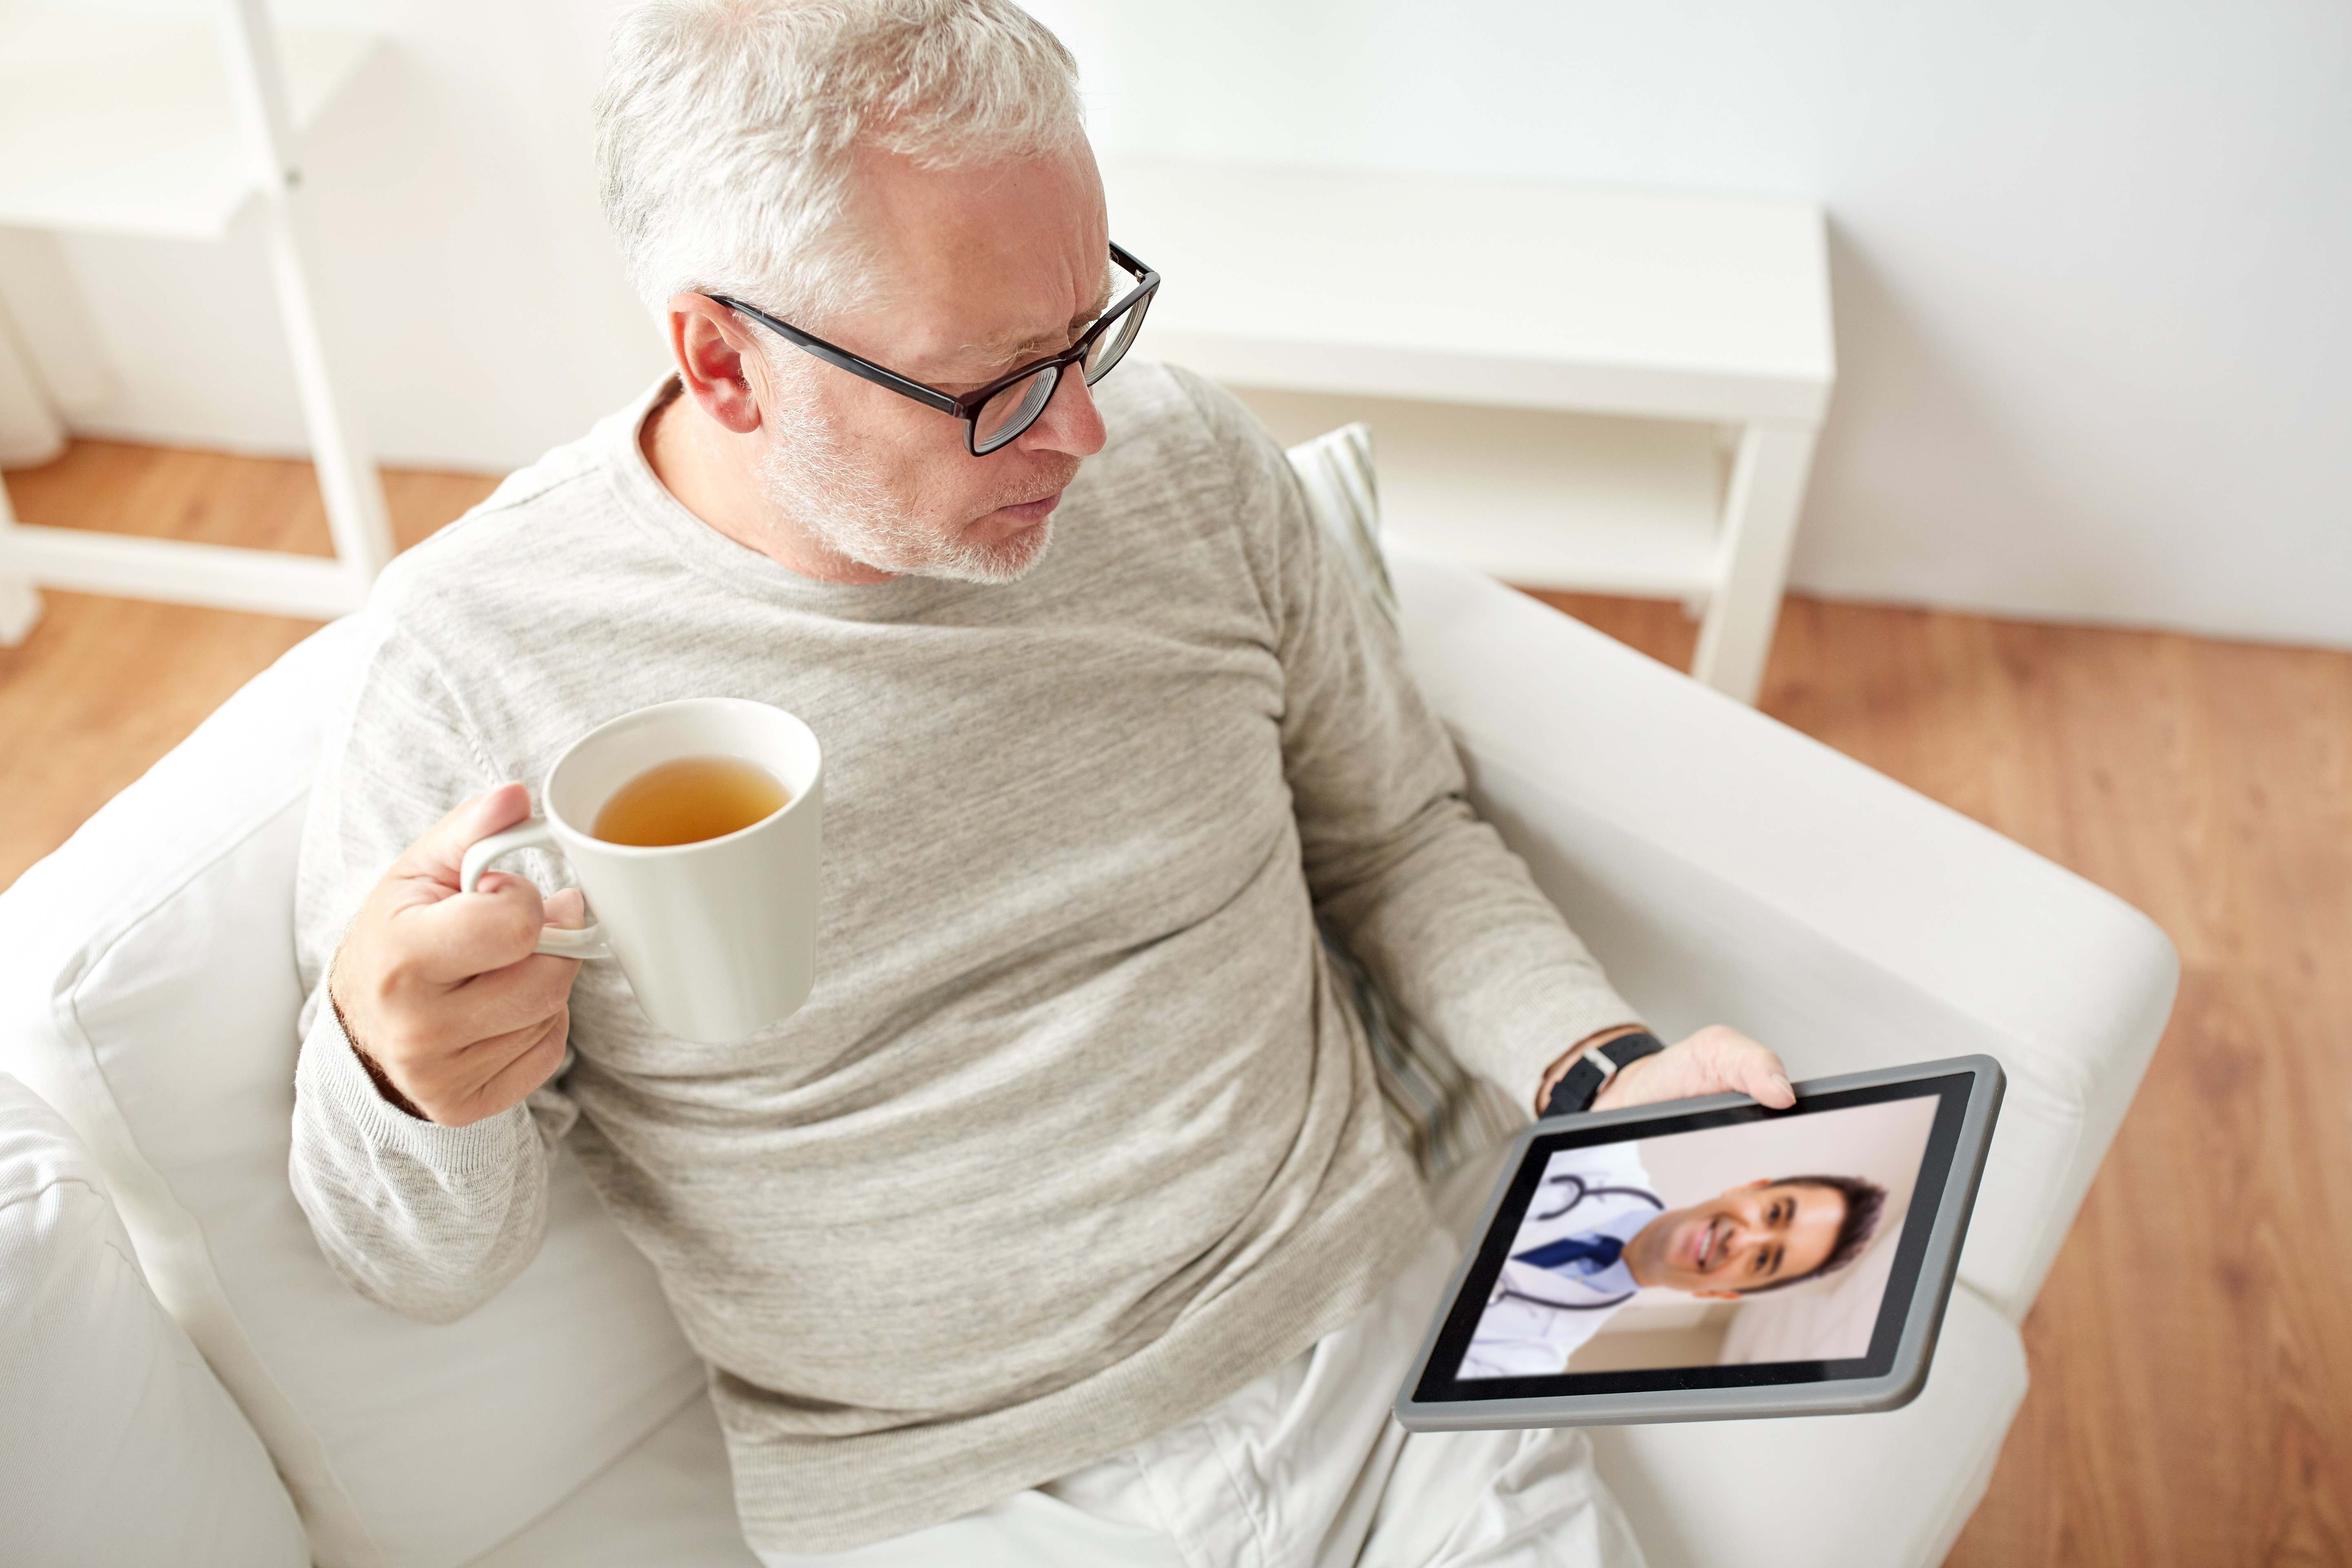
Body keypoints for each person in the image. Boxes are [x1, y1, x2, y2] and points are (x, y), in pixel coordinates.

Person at [288, 2, 1802, 1563]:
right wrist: (394, 1071)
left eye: (1089, 327)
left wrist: (1602, 1073)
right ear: (723, 361)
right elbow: (413, 1264)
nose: (1081, 429)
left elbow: (1393, 838)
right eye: (997, 380)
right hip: (950, 1495)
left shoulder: (1181, 458)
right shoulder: (476, 663)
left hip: (1372, 1352)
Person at [1460, 1141, 1887, 1379]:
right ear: (1747, 1188)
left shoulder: (1525, 1362)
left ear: (1721, 1292)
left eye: (1763, 1260)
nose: (1743, 1238)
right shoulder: (1597, 1143)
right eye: (1773, 1213)